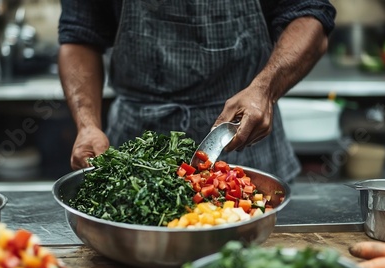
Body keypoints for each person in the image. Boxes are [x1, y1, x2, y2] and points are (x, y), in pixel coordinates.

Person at [58, 1, 336, 183]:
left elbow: (309, 14)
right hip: (135, 152)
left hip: (243, 134)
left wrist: (265, 89)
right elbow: (80, 35)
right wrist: (87, 125)